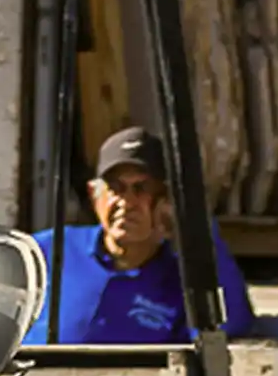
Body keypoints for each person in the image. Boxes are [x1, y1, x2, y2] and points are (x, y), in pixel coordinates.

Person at [32, 126, 261, 344]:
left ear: (167, 200)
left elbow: (230, 328)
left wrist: (198, 232)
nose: (127, 203)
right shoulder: (47, 251)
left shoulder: (183, 279)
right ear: (94, 195)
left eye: (142, 189)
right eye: (116, 188)